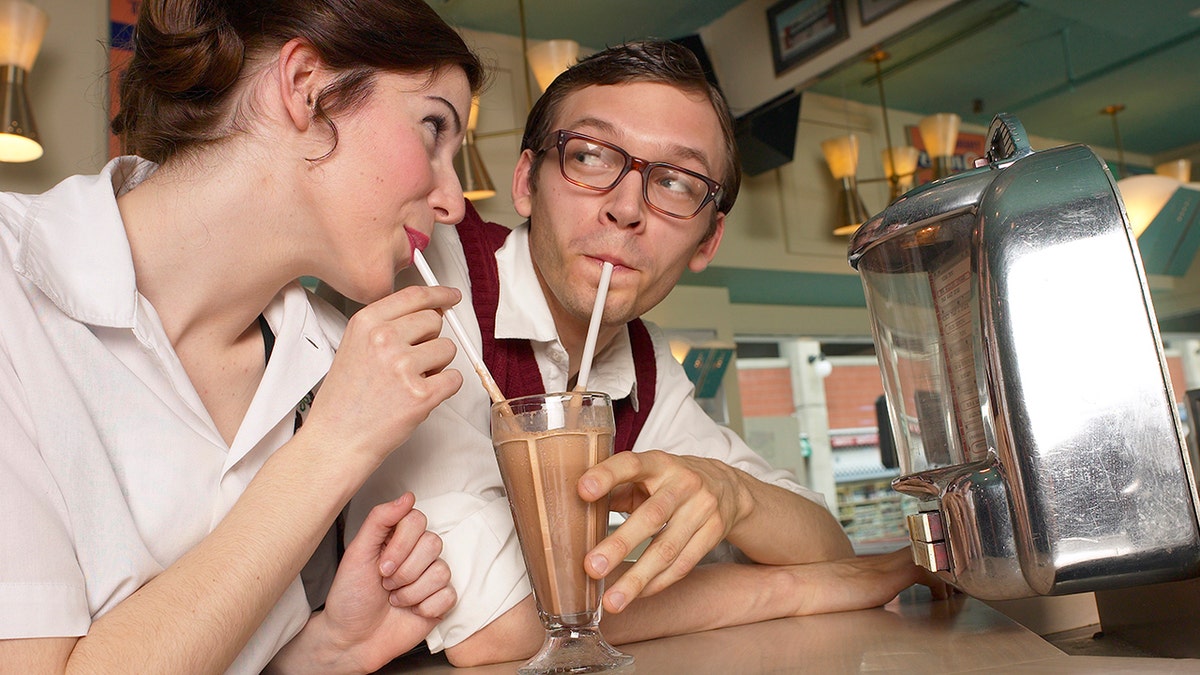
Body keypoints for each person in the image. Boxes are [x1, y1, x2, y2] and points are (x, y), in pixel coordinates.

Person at [346, 40, 945, 668]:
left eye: (677, 183)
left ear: (708, 240)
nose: (626, 208)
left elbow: (821, 544)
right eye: (588, 156)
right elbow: (483, 620)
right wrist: (790, 590)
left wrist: (734, 495)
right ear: (526, 182)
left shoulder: (643, 364)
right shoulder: (430, 273)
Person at [0, 1, 485, 673]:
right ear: (306, 86)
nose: (454, 201)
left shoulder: (337, 362)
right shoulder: (12, 285)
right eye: (432, 127)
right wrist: (331, 448)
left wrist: (319, 653)